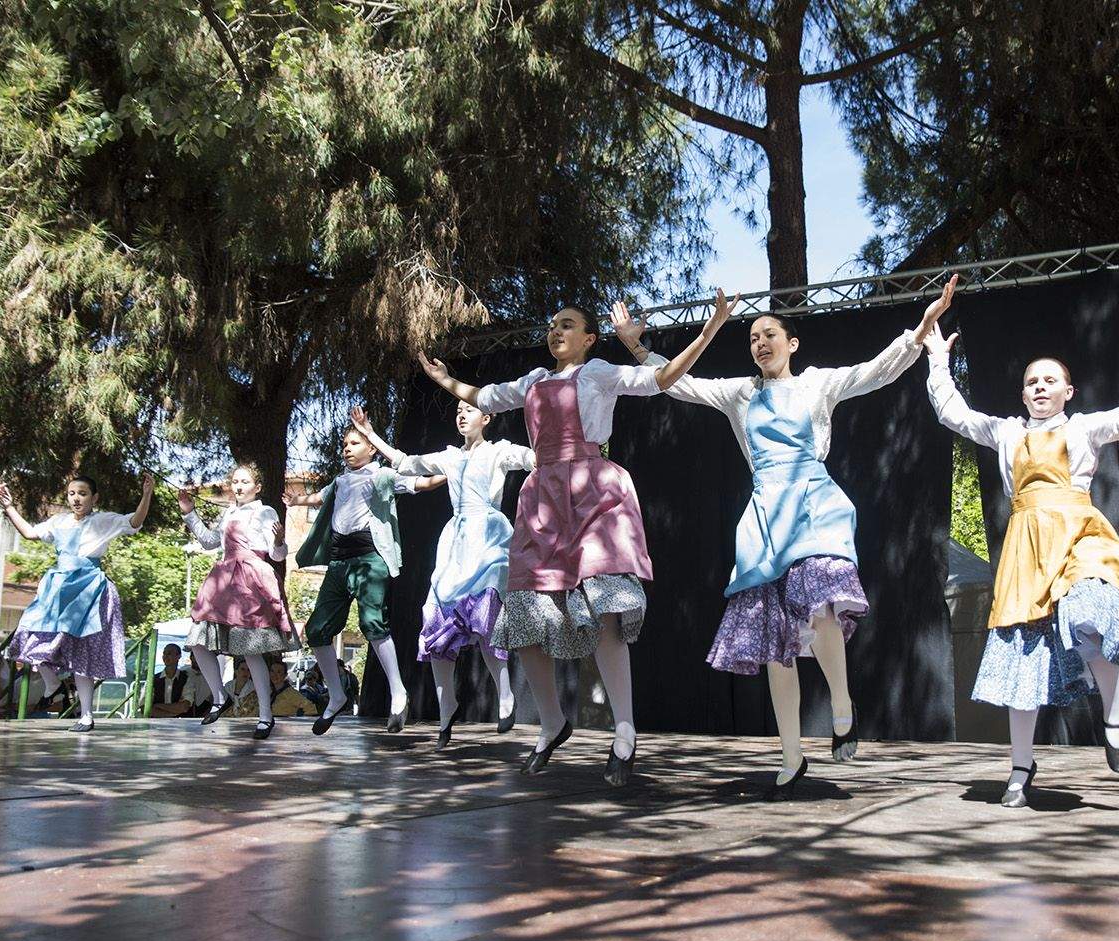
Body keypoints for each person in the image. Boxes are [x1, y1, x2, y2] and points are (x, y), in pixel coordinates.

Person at [618, 277, 957, 791]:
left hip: (813, 502)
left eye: (769, 333)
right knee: (774, 639)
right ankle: (793, 753)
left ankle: (842, 705)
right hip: (765, 514)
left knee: (822, 597)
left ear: (791, 343)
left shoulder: (815, 383)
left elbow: (875, 371)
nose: (760, 342)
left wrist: (922, 327)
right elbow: (680, 383)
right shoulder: (738, 393)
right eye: (753, 336)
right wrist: (637, 348)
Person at [416, 291, 736, 785]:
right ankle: (552, 723)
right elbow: (483, 396)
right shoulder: (535, 381)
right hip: (542, 499)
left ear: (588, 338)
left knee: (606, 606)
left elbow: (662, 378)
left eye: (568, 325)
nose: (556, 331)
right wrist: (444, 379)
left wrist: (710, 329)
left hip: (591, 491)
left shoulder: (600, 373)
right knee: (523, 617)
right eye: (552, 325)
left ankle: (625, 728)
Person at [924, 312, 1119, 808]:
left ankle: (1114, 719)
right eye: (1032, 381)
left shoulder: (1084, 428)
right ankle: (1020, 768)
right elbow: (954, 414)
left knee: (1092, 618)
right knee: (1021, 661)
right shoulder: (1007, 433)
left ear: (1068, 391)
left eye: (1050, 380)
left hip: (1078, 534)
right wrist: (939, 361)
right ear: (1023, 393)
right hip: (1025, 548)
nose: (1039, 387)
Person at [351, 402, 535, 749]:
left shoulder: (499, 452)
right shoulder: (450, 457)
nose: (462, 415)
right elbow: (406, 462)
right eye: (458, 411)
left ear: (487, 418)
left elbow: (532, 457)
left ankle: (505, 692)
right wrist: (369, 433)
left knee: (485, 615)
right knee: (437, 623)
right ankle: (446, 704)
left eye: (470, 410)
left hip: (489, 536)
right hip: (456, 541)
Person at [286, 430, 443, 736]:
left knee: (373, 623)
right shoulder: (341, 480)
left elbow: (419, 484)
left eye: (354, 443)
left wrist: (450, 473)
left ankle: (398, 693)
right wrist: (296, 500)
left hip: (370, 558)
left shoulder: (382, 475)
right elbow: (319, 497)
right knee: (317, 629)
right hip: (339, 563)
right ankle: (336, 695)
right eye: (344, 444)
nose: (347, 448)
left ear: (372, 449)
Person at [0, 473, 154, 732]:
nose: (76, 498)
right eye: (72, 493)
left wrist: (146, 494)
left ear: (94, 498)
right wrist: (9, 506)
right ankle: (52, 683)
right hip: (58, 587)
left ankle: (86, 715)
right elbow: (28, 532)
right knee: (29, 632)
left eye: (82, 493)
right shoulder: (58, 521)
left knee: (82, 652)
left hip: (87, 587)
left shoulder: (103, 520)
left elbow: (135, 521)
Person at [181, 464, 302, 740]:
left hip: (250, 580)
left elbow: (278, 555)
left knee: (251, 650)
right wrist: (190, 512)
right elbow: (211, 542)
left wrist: (281, 540)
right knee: (198, 640)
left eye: (244, 481)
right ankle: (219, 696)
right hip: (223, 580)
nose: (238, 486)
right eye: (235, 481)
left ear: (257, 487)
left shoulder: (264, 511)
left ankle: (265, 716)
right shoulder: (230, 512)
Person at [149, 642, 190, 717]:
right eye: (164, 653)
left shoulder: (186, 678)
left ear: (179, 656)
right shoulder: (153, 679)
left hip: (180, 724)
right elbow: (145, 707)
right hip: (157, 724)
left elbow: (184, 707)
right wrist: (173, 712)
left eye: (169, 653)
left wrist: (157, 706)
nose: (165, 656)